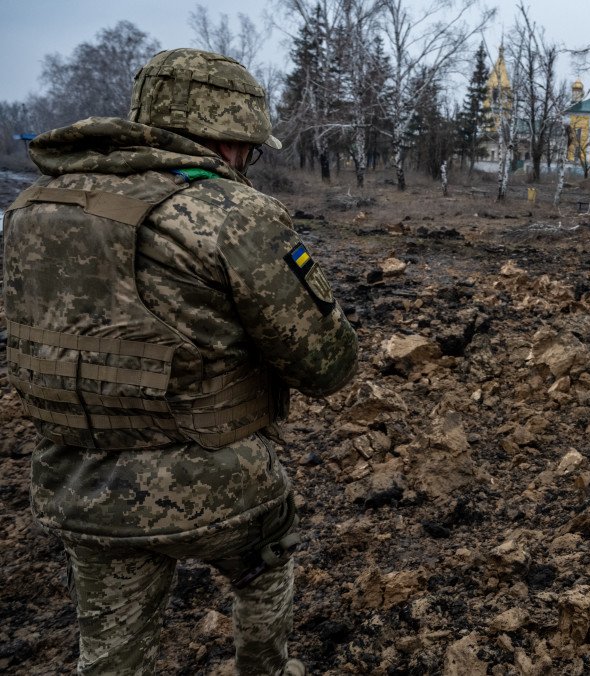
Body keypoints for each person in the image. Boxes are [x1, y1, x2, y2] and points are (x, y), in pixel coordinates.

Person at [3, 48, 358, 675]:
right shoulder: (231, 213)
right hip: (222, 489)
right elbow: (326, 366)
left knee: (109, 658)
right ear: (230, 139)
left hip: (78, 487)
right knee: (266, 567)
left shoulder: (32, 207)